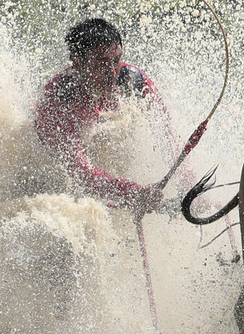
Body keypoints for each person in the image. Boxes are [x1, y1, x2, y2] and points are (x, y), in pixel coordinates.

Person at [34, 18, 170, 217]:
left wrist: (189, 185)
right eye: (101, 64)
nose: (111, 72)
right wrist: (131, 192)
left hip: (107, 183)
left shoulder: (135, 81)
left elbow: (168, 139)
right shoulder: (58, 101)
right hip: (51, 183)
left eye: (116, 61)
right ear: (77, 62)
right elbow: (82, 174)